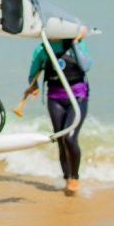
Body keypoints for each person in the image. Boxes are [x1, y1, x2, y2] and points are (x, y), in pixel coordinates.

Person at [22, 29, 92, 196]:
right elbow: (33, 73)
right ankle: (66, 177)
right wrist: (34, 86)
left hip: (77, 98)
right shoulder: (42, 49)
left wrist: (75, 43)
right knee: (60, 139)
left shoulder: (75, 44)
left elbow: (86, 65)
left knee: (70, 137)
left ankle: (74, 177)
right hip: (55, 99)